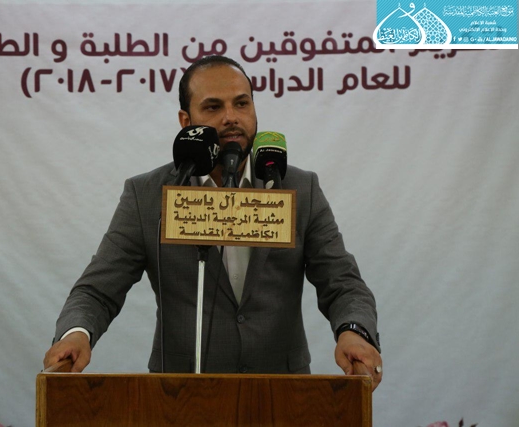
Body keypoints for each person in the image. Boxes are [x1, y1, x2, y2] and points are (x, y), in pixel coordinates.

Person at [43, 55, 383, 390]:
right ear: (186, 120)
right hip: (179, 395)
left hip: (281, 393)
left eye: (241, 104)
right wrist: (76, 334)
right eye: (213, 107)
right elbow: (98, 290)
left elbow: (342, 282)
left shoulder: (298, 188)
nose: (231, 117)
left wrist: (353, 331)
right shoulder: (147, 195)